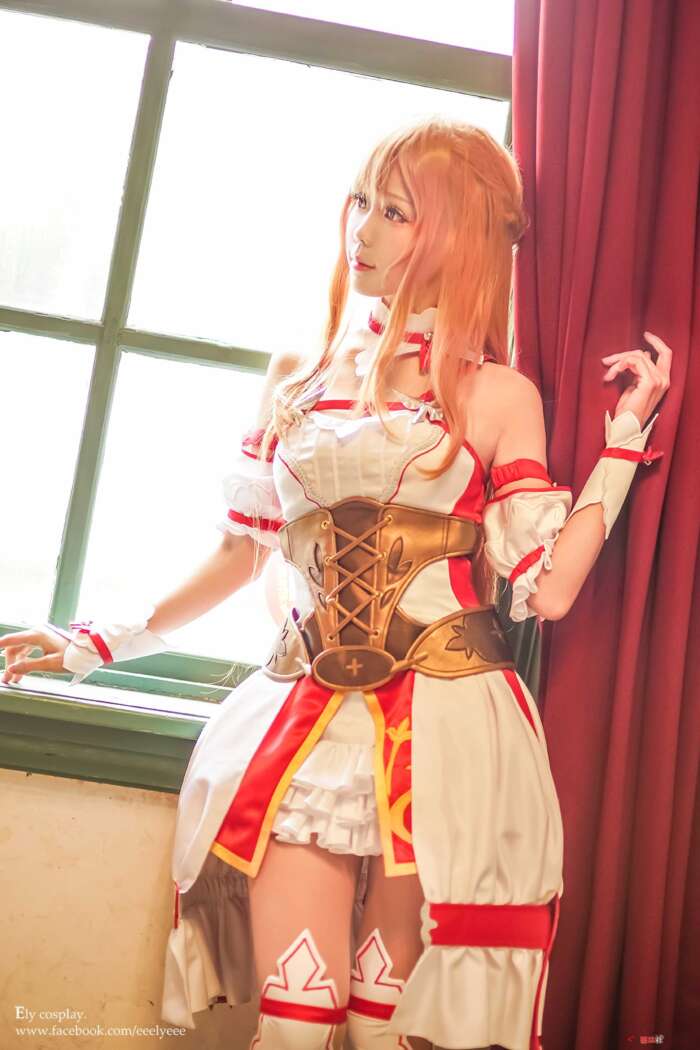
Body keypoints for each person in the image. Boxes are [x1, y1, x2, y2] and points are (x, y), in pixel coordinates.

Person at [0, 118, 671, 1050]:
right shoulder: (299, 378)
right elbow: (240, 555)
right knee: (292, 1020)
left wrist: (623, 446)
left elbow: (547, 592)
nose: (363, 229)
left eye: (396, 212)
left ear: (458, 236)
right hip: (302, 721)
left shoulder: (497, 394)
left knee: (384, 1027)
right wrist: (92, 642)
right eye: (362, 202)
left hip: (442, 725)